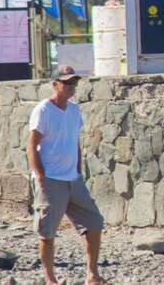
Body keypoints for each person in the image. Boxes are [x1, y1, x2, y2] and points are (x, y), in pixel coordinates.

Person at [26, 66, 105, 285]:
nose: (71, 87)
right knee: (47, 232)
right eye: (67, 82)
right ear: (55, 84)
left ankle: (92, 275)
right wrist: (40, 176)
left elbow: (74, 141)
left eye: (74, 83)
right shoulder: (43, 110)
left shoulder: (74, 109)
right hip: (51, 180)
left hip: (73, 179)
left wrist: (78, 169)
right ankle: (50, 279)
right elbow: (31, 145)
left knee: (94, 223)